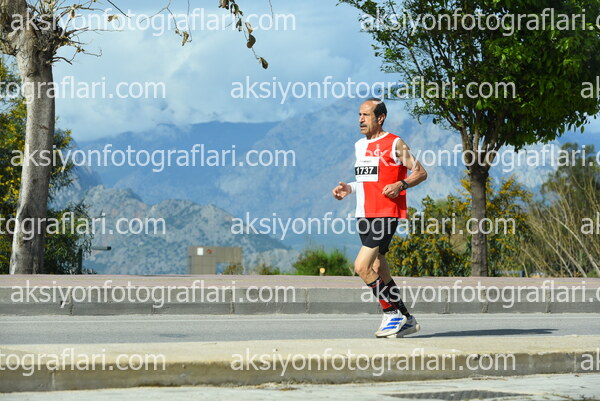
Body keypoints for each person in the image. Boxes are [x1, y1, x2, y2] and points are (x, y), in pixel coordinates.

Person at [332, 98, 428, 338]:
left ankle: (390, 312)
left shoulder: (395, 143)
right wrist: (349, 189)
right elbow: (368, 182)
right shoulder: (359, 146)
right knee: (378, 266)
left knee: (361, 266)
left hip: (386, 213)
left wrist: (401, 184)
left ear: (380, 118)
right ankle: (406, 318)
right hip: (364, 214)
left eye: (366, 115)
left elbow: (420, 172)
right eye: (359, 115)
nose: (360, 120)